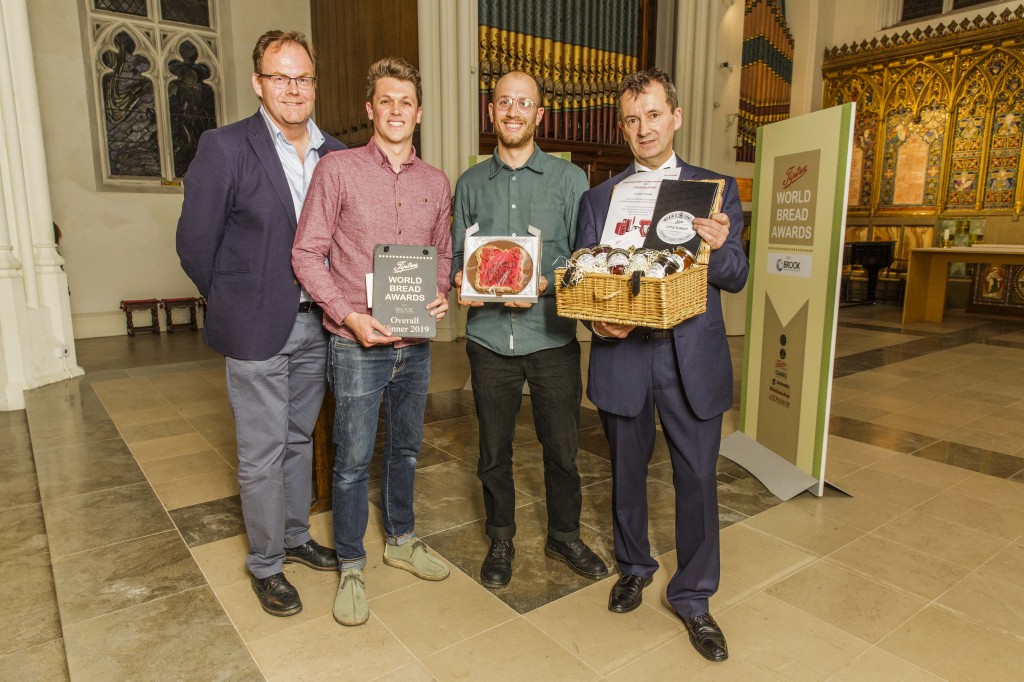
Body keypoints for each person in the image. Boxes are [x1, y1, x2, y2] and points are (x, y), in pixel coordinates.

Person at [575, 68, 748, 663]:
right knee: (625, 470)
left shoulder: (716, 190)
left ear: (675, 116)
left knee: (697, 480)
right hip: (624, 355)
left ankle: (695, 598)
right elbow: (583, 282)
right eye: (632, 118)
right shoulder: (598, 199)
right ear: (622, 127)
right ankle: (633, 565)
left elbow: (737, 276)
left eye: (653, 114)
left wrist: (722, 246)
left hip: (689, 357)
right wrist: (597, 320)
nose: (643, 128)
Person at [176, 30, 344, 617]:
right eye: (280, 77)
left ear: (315, 85)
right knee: (261, 451)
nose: (293, 89)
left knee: (300, 438)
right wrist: (233, 302)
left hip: (317, 326)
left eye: (303, 78)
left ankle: (295, 537)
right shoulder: (225, 147)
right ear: (258, 83)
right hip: (254, 328)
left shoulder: (337, 154)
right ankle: (266, 565)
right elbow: (196, 244)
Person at [291, 57, 453, 627]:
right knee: (353, 459)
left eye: (405, 102)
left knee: (406, 448)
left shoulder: (436, 182)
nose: (395, 111)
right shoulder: (336, 171)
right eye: (385, 101)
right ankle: (352, 563)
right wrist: (346, 315)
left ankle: (402, 539)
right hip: (356, 343)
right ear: (370, 109)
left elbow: (444, 254)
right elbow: (306, 253)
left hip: (415, 343)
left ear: (419, 113)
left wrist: (440, 294)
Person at [451, 71, 608, 588]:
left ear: (540, 114)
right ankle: (501, 536)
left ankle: (564, 535)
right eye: (504, 102)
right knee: (493, 450)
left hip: (551, 336)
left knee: (562, 449)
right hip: (489, 340)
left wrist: (543, 277)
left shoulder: (569, 181)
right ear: (491, 111)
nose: (514, 111)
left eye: (525, 103)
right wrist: (461, 274)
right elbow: (457, 254)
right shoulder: (470, 183)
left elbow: (584, 256)